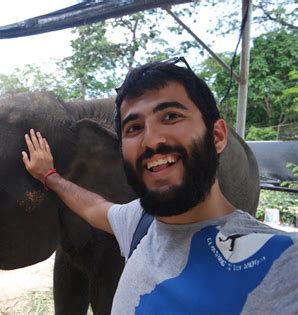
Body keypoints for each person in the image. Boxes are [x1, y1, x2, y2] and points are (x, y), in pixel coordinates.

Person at [21, 59, 298, 314]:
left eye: (171, 117)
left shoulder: (284, 262)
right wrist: (49, 176)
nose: (151, 140)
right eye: (134, 128)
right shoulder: (138, 222)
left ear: (217, 136)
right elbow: (95, 207)